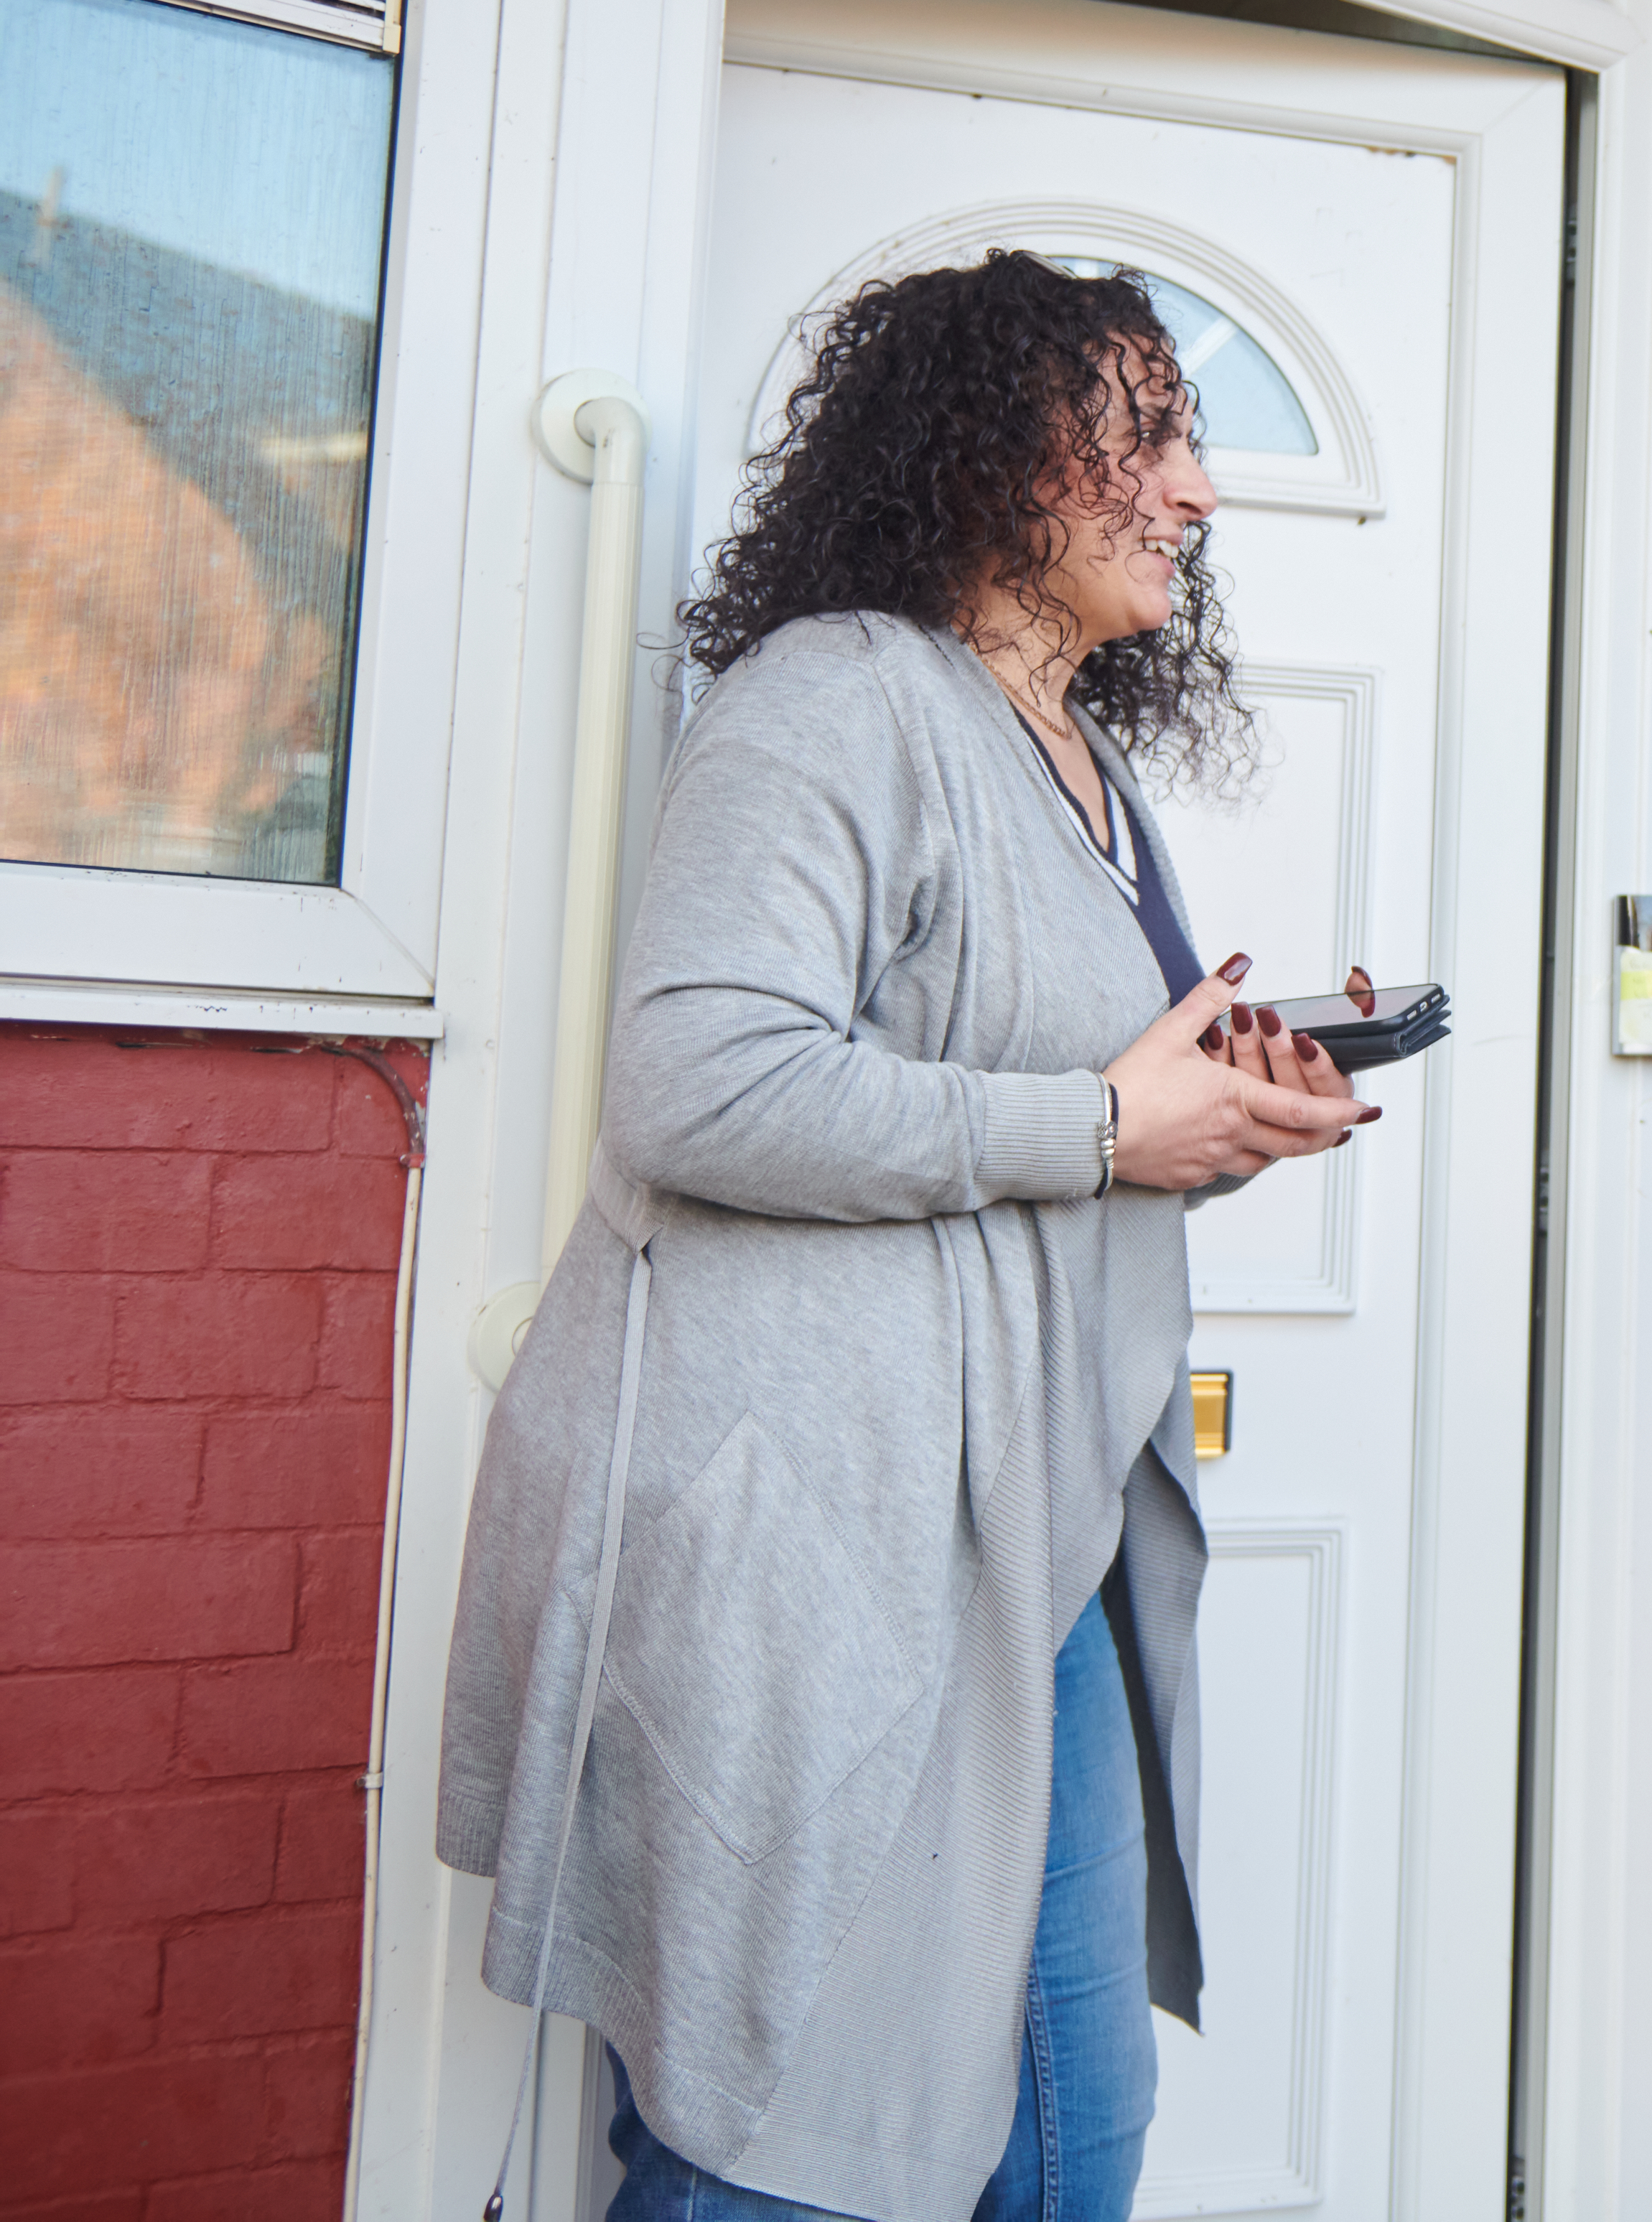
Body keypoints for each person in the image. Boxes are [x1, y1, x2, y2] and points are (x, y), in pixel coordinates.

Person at [439, 253, 1372, 2222]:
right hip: (827, 1548)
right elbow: (698, 1082)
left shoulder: (1087, 767)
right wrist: (1110, 1117)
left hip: (1032, 1537)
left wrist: (1217, 1122)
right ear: (995, 461)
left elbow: (1054, 1126)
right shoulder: (838, 695)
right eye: (1148, 432)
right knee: (783, 2147)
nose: (1198, 491)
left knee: (1059, 2140)